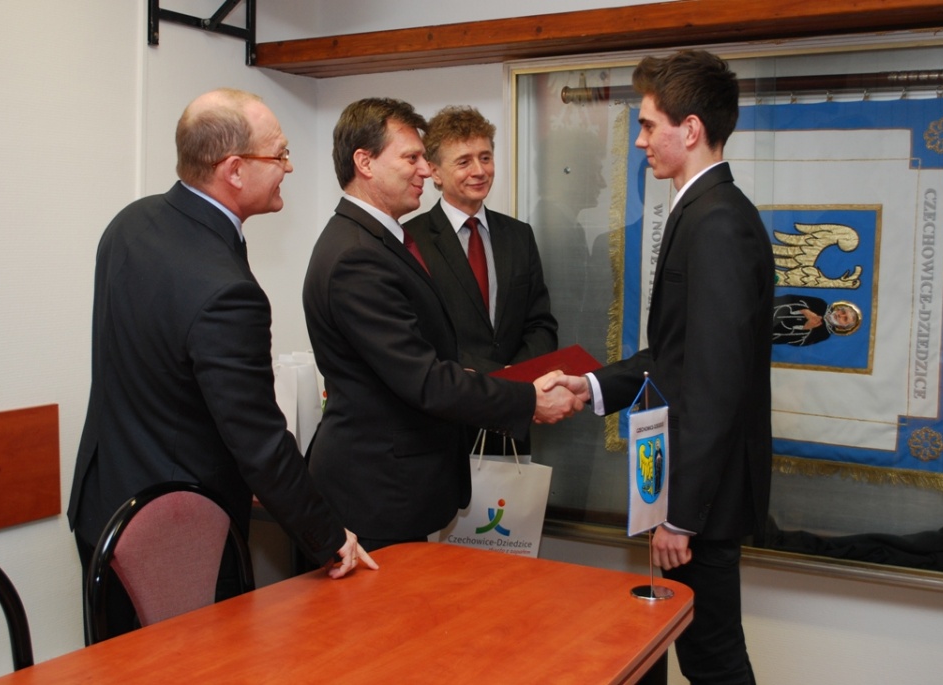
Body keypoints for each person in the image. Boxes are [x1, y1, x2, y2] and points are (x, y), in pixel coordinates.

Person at [68, 88, 375, 639]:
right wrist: (329, 537)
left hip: (105, 511)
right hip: (178, 539)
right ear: (234, 170)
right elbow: (259, 443)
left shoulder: (131, 223)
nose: (288, 167)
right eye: (279, 155)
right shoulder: (226, 291)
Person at [549, 50, 774, 684]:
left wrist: (681, 515)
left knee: (712, 660)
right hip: (691, 490)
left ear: (691, 129)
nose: (640, 140)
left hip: (700, 499)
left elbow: (714, 383)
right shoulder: (700, 210)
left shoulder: (718, 221)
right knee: (685, 653)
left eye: (649, 125)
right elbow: (676, 355)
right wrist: (591, 385)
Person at [303, 97, 585, 553]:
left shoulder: (377, 241)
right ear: (365, 163)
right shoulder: (359, 255)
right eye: (411, 158)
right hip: (377, 491)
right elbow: (424, 378)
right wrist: (528, 397)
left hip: (399, 481)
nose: (423, 170)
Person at [404, 105, 558, 453]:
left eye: (485, 157)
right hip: (445, 424)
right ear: (434, 171)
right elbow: (419, 340)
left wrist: (518, 376)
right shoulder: (410, 242)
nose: (479, 170)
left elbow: (540, 323)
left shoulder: (519, 235)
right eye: (464, 161)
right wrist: (498, 378)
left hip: (514, 423)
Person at [772, 294, 861, 345]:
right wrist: (803, 311)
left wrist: (805, 327)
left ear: (842, 327)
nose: (840, 315)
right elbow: (791, 298)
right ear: (838, 309)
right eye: (842, 311)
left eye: (845, 318)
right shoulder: (820, 303)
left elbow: (798, 342)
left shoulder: (824, 334)